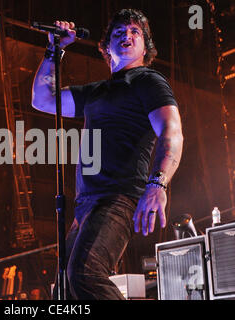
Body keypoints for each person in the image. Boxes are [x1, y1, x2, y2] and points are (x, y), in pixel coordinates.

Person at [31, 9, 183, 299]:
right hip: (86, 204)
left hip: (119, 197)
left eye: (135, 32)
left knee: (85, 274)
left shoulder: (148, 81)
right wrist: (55, 48)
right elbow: (42, 99)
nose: (126, 35)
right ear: (106, 47)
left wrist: (158, 183)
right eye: (118, 32)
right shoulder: (96, 91)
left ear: (145, 47)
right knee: (64, 291)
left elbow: (171, 132)